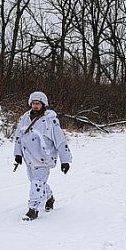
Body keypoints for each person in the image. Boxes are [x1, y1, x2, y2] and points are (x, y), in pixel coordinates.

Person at [13, 91, 72, 221]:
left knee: (37, 183)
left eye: (38, 103)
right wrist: (18, 154)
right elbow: (18, 137)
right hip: (29, 159)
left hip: (44, 159)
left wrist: (65, 161)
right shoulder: (24, 118)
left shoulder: (50, 121)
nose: (35, 106)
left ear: (43, 104)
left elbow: (60, 141)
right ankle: (49, 197)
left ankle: (33, 209)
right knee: (38, 183)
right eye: (33, 103)